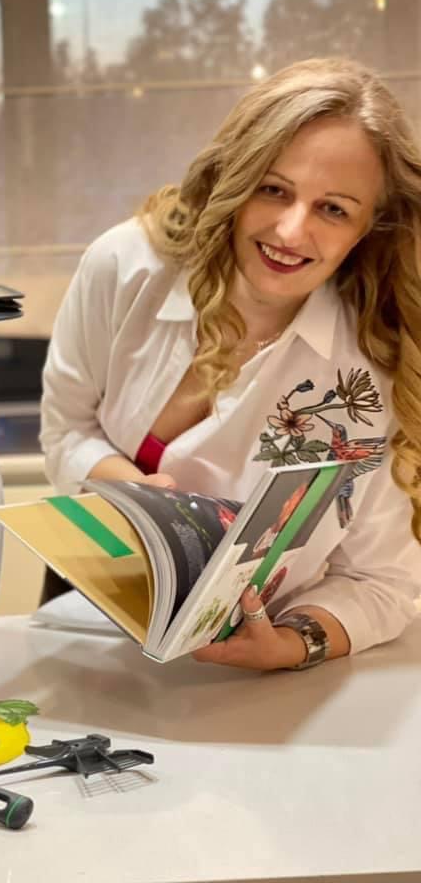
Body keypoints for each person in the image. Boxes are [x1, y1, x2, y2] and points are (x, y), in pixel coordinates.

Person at [40, 57, 421, 671]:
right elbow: (66, 430)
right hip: (92, 604)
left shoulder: (376, 369)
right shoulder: (126, 267)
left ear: (367, 228)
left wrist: (291, 644)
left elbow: (381, 582)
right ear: (234, 180)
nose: (290, 232)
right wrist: (129, 491)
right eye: (273, 189)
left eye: (333, 209)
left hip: (259, 661)